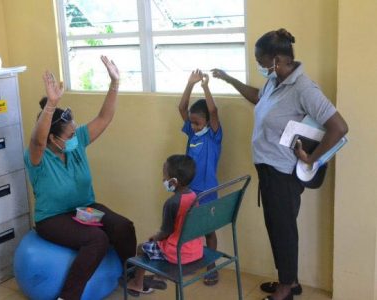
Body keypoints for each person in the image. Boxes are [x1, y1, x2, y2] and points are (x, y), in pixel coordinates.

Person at [211, 29, 348, 300]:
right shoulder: (275, 81)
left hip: (283, 174)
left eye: (262, 62)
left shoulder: (303, 88)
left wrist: (313, 157)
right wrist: (229, 80)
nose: (261, 67)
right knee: (278, 227)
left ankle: (286, 289)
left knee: (282, 229)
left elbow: (339, 127)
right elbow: (258, 98)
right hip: (269, 169)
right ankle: (290, 280)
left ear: (277, 59)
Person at [24, 56, 137, 300]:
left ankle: (132, 277)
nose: (76, 136)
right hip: (53, 218)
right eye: (70, 134)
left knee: (123, 227)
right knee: (97, 240)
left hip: (83, 209)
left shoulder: (75, 145)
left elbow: (104, 118)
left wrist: (115, 83)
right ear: (54, 139)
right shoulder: (38, 157)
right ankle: (68, 297)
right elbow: (37, 140)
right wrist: (51, 104)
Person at [126, 154, 203, 296]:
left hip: (179, 254)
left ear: (173, 182)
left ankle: (137, 283)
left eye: (165, 176)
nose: (163, 179)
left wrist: (155, 237)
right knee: (158, 244)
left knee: (142, 248)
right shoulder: (194, 196)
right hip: (196, 249)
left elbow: (165, 232)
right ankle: (158, 277)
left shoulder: (172, 203)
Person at [178, 69, 222, 285]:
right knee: (188, 228)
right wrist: (190, 84)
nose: (194, 127)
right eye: (192, 123)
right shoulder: (193, 134)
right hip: (189, 192)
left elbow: (213, 111)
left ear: (207, 121)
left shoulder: (213, 136)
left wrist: (205, 86)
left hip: (208, 192)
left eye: (198, 123)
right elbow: (181, 108)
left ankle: (211, 267)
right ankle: (189, 259)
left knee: (209, 231)